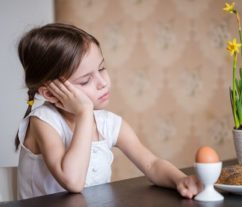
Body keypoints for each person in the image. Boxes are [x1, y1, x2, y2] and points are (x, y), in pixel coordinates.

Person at [15, 23, 201, 199]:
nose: (102, 82)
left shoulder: (108, 123)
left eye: (102, 68)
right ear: (50, 93)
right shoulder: (43, 122)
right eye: (85, 80)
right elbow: (73, 181)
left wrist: (180, 179)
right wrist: (84, 112)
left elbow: (151, 164)